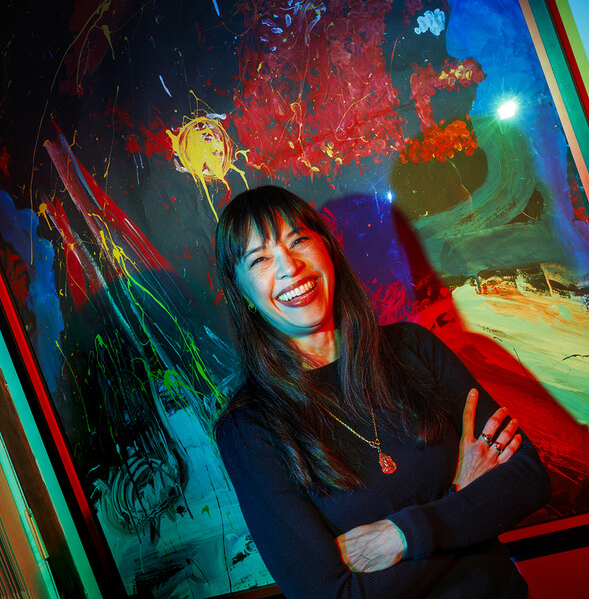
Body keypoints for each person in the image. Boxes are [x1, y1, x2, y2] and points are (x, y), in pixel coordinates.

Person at [213, 186, 551, 597]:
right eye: (261, 259)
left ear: (327, 249)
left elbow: (530, 478)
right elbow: (331, 595)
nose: (289, 266)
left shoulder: (412, 347)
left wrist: (402, 537)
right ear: (243, 293)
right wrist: (463, 502)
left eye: (298, 239)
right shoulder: (249, 428)